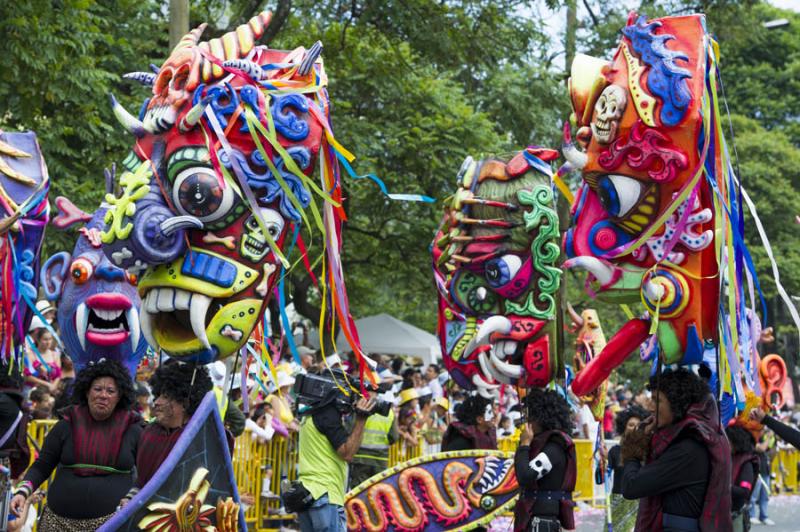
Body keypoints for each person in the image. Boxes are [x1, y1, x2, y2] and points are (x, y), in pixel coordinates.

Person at [10, 359, 141, 529]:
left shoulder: (134, 429)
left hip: (113, 524)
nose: (103, 395)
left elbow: (148, 475)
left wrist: (132, 498)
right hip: (57, 524)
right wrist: (22, 492)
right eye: (98, 389)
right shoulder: (66, 424)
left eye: (111, 391)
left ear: (120, 396)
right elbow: (42, 466)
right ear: (87, 392)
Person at [620, 368, 732, 531]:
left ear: (678, 404)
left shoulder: (688, 448)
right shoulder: (688, 441)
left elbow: (631, 486)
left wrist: (633, 449)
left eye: (657, 401)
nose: (650, 407)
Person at [295, 367, 378, 532]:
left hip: (307, 494)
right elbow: (347, 453)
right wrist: (361, 418)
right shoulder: (327, 415)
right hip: (325, 494)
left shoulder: (309, 413)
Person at [125, 361, 213, 500]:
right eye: (158, 395)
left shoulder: (201, 438)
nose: (157, 402)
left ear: (184, 404)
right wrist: (130, 498)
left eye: (165, 397)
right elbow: (142, 481)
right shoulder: (149, 432)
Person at [513, 387, 576, 532]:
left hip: (542, 522)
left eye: (531, 418)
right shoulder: (547, 445)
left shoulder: (554, 448)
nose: (527, 423)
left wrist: (524, 446)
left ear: (540, 419)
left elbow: (525, 476)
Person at [602, 404, 649, 532]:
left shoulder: (647, 452)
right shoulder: (615, 451)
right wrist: (603, 462)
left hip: (638, 503)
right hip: (617, 502)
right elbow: (601, 478)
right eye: (631, 425)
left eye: (638, 425)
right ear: (624, 427)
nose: (634, 428)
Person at [349, 391, 398, 490]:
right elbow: (394, 437)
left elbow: (350, 430)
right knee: (377, 491)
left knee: (359, 491)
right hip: (380, 461)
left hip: (360, 459)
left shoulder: (362, 408)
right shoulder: (391, 414)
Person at [726, 425, 758, 531]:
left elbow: (744, 491)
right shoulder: (727, 457)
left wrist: (723, 487)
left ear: (736, 442)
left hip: (734, 516)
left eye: (728, 440)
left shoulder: (746, 463)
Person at [748, 428, 775, 526]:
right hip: (756, 470)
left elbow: (770, 449)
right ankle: (751, 515)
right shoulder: (751, 438)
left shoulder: (765, 438)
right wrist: (768, 437)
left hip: (765, 468)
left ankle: (764, 516)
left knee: (765, 495)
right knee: (754, 495)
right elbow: (761, 448)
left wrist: (770, 438)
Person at [24, 328, 61, 394]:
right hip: (33, 391)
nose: (48, 342)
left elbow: (58, 375)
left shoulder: (55, 355)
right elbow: (27, 376)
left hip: (51, 391)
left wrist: (54, 386)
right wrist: (47, 384)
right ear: (38, 340)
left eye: (50, 339)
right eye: (45, 339)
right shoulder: (30, 354)